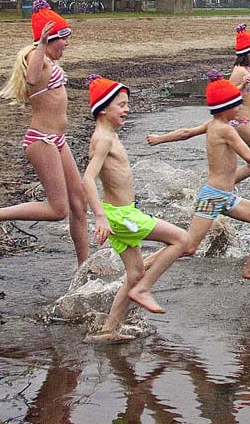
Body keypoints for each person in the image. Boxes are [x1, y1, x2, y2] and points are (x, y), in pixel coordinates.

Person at [0, 0, 90, 265]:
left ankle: (84, 267)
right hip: (41, 141)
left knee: (79, 203)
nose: (67, 44)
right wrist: (41, 42)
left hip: (58, 140)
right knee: (58, 209)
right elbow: (30, 78)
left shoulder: (49, 60)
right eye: (64, 38)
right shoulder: (34, 57)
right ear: (51, 38)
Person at [82, 75, 191, 342]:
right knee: (182, 239)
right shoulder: (104, 139)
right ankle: (144, 290)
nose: (127, 109)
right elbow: (86, 178)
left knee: (134, 273)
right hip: (121, 216)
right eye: (121, 105)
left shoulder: (108, 135)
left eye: (127, 104)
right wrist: (99, 217)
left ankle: (108, 330)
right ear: (104, 108)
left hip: (119, 212)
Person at [147, 24, 250, 215]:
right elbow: (223, 95)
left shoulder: (246, 70)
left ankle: (214, 190)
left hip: (241, 123)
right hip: (240, 124)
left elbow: (246, 93)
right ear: (248, 52)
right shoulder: (239, 73)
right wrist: (239, 88)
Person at [180, 70, 250, 282]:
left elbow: (186, 132)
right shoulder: (226, 130)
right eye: (236, 104)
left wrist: (159, 139)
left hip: (226, 197)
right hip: (213, 196)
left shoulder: (215, 123)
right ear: (226, 108)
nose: (241, 107)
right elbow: (249, 156)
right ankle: (144, 267)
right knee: (188, 248)